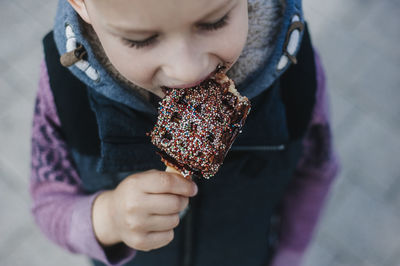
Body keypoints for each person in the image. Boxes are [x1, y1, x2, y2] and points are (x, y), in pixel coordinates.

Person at [30, 0, 339, 265]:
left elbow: (316, 172)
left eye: (215, 22)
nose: (187, 69)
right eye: (142, 40)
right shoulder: (64, 87)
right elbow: (48, 202)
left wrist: (288, 255)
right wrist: (107, 218)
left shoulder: (295, 73)